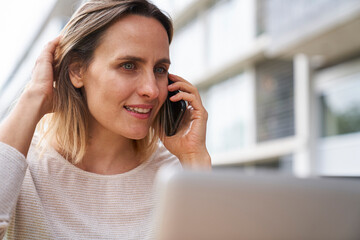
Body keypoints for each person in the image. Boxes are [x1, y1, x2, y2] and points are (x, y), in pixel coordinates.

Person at [0, 0, 211, 239]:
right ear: (77, 71)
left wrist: (195, 159)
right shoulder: (19, 164)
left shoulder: (175, 174)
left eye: (160, 69)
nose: (152, 90)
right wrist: (34, 96)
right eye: (128, 65)